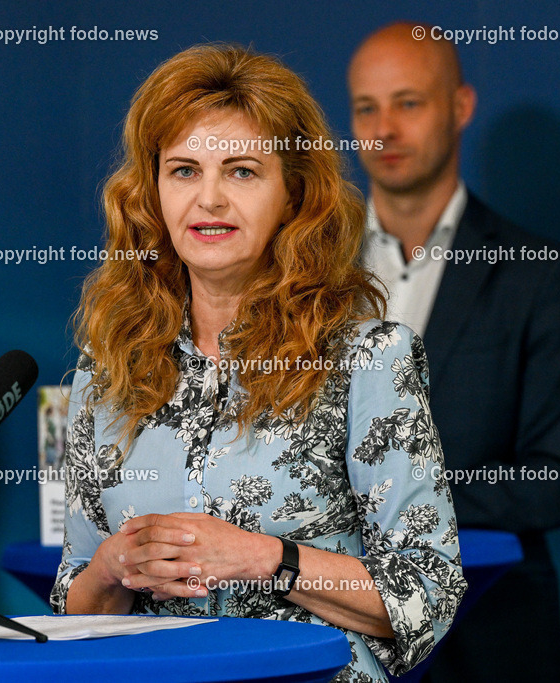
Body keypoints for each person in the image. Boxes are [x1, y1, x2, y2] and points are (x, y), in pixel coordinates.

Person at [51, 44, 466, 680]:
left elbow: (423, 596)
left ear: (294, 196)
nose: (209, 199)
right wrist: (111, 569)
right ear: (151, 191)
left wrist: (268, 558)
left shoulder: (367, 360)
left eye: (242, 171)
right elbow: (72, 603)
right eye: (183, 170)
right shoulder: (106, 374)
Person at [348, 24, 560, 682]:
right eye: (366, 107)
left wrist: (397, 496)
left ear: (460, 107)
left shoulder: (539, 274)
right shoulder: (305, 275)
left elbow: (558, 481)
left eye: (408, 102)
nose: (384, 129)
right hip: (335, 638)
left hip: (492, 636)